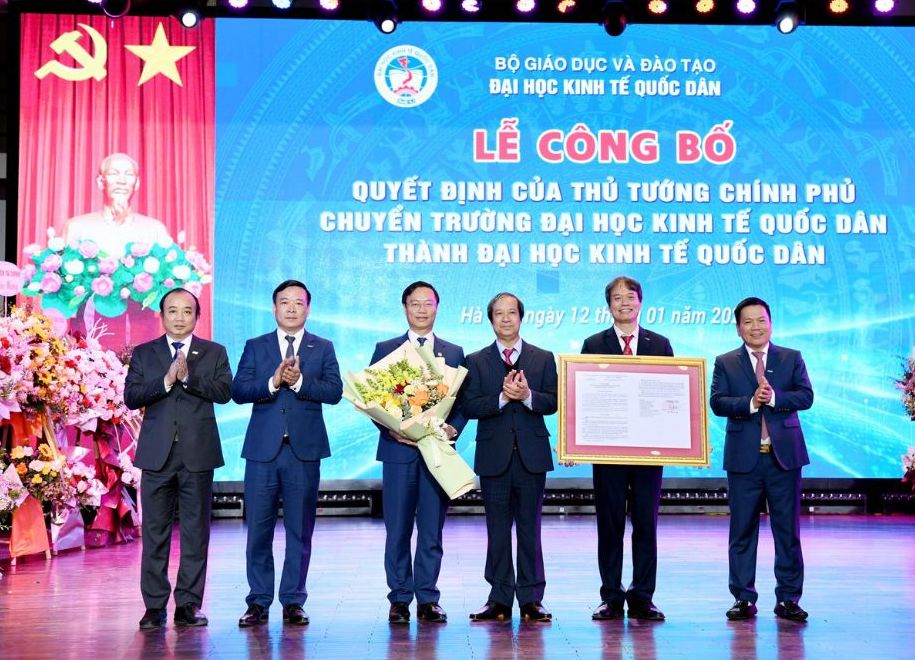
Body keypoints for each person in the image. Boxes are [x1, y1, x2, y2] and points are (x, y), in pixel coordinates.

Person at [232, 280, 343, 627]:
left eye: (298, 302)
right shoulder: (256, 346)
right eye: (285, 302)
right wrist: (272, 382)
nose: (292, 308)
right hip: (263, 453)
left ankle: (293, 600)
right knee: (259, 530)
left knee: (300, 530)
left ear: (308, 308)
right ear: (274, 308)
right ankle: (259, 601)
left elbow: (334, 391)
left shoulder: (322, 347)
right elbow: (238, 390)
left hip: (303, 452)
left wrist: (297, 383)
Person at [124, 287, 233, 630]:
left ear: (197, 316)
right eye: (173, 311)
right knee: (154, 533)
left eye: (187, 311)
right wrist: (167, 380)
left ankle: (188, 604)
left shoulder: (214, 352)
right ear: (162, 315)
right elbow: (131, 396)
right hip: (156, 456)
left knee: (195, 533)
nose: (180, 317)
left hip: (197, 455)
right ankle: (154, 606)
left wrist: (189, 377)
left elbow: (224, 392)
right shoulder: (145, 353)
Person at [710, 296, 813, 623]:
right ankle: (743, 597)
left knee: (787, 531)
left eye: (761, 320)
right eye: (748, 322)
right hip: (744, 460)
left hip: (785, 459)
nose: (756, 327)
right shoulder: (725, 362)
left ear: (771, 323)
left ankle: (788, 599)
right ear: (738, 328)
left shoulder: (790, 358)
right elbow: (717, 402)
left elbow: (806, 396)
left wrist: (777, 398)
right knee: (742, 531)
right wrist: (751, 403)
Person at [372, 281, 466, 624]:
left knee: (431, 529)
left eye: (428, 303)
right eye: (415, 303)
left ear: (437, 307)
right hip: (398, 453)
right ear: (405, 308)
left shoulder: (454, 352)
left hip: (435, 453)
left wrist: (452, 428)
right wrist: (394, 429)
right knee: (396, 529)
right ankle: (399, 599)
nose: (422, 309)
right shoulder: (386, 349)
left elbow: (462, 403)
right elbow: (373, 399)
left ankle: (427, 597)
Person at [582, 276, 672, 622]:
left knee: (646, 524)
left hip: (649, 453)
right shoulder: (593, 344)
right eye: (617, 298)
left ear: (640, 302)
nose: (624, 303)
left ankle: (643, 596)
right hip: (608, 453)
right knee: (610, 525)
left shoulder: (660, 344)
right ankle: (611, 596)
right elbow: (586, 397)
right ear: (609, 306)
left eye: (630, 297)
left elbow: (669, 396)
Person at [463, 292, 557, 623]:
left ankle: (532, 598)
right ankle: (499, 598)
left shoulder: (543, 358)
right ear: (491, 320)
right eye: (499, 314)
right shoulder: (475, 361)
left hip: (532, 455)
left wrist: (528, 396)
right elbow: (470, 405)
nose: (506, 318)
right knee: (497, 529)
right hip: (494, 457)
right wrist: (502, 398)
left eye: (512, 313)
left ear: (521, 317)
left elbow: (554, 401)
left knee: (530, 528)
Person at [62, 152, 172, 258]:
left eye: (129, 174)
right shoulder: (77, 227)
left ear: (137, 183)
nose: (122, 181)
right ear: (101, 182)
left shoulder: (155, 229)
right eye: (113, 173)